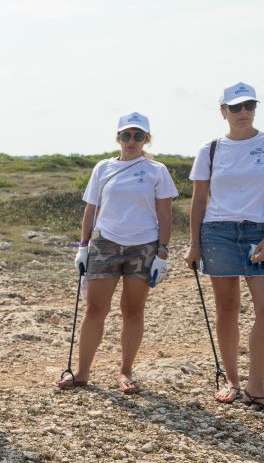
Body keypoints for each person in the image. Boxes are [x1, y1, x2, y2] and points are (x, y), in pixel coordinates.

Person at [185, 82, 264, 412]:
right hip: (217, 233)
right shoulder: (209, 149)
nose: (243, 112)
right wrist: (194, 245)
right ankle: (233, 382)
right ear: (223, 111)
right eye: (235, 107)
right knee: (227, 308)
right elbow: (199, 200)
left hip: (260, 233)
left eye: (249, 105)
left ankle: (256, 387)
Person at [54, 112, 178, 393]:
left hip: (143, 246)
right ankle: (82, 372)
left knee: (132, 309)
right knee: (95, 309)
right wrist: (83, 247)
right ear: (118, 138)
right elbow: (91, 209)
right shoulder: (103, 168)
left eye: (138, 135)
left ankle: (125, 372)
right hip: (104, 244)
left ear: (146, 139)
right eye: (126, 135)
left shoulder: (157, 170)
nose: (131, 141)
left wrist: (162, 253)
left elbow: (165, 214)